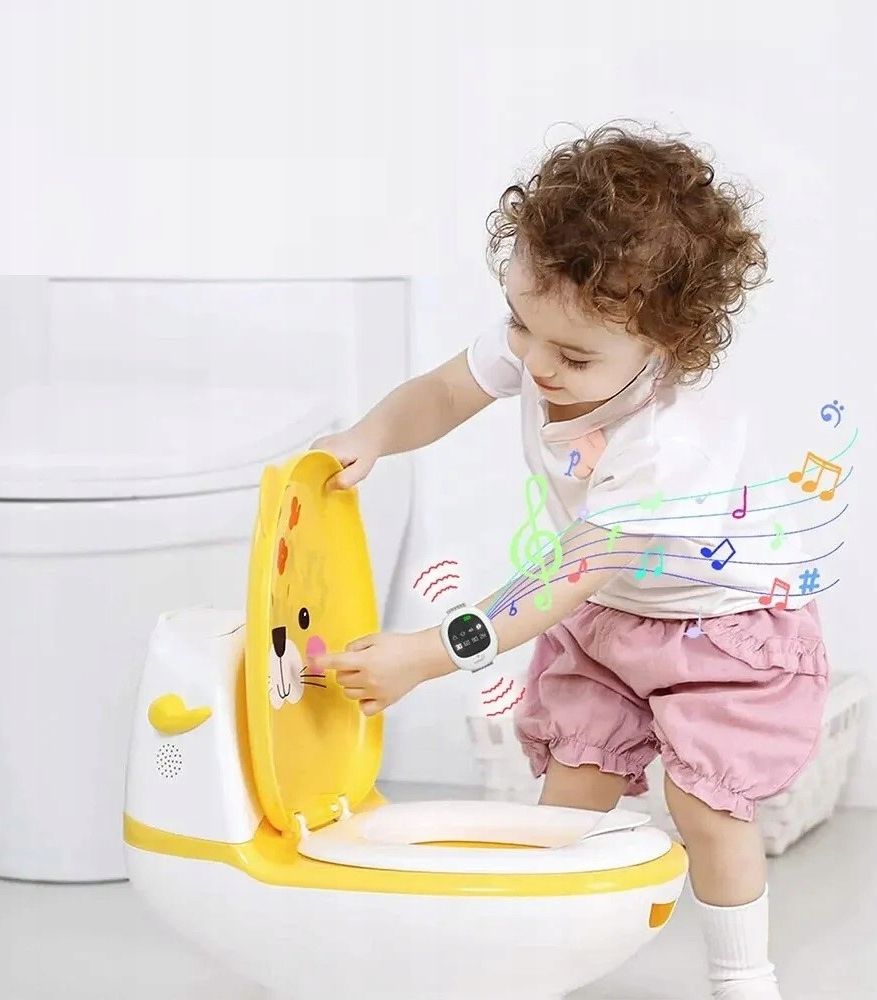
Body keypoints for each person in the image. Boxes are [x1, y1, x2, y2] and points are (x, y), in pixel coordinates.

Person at [310, 123, 830, 1000]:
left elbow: (561, 580)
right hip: (613, 621)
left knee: (706, 810)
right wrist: (372, 436)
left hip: (723, 633)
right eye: (523, 326)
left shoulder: (671, 445)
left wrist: (427, 655)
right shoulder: (549, 333)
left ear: (667, 345)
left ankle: (744, 977)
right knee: (571, 789)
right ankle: (536, 961)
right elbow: (444, 391)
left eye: (574, 356)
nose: (537, 364)